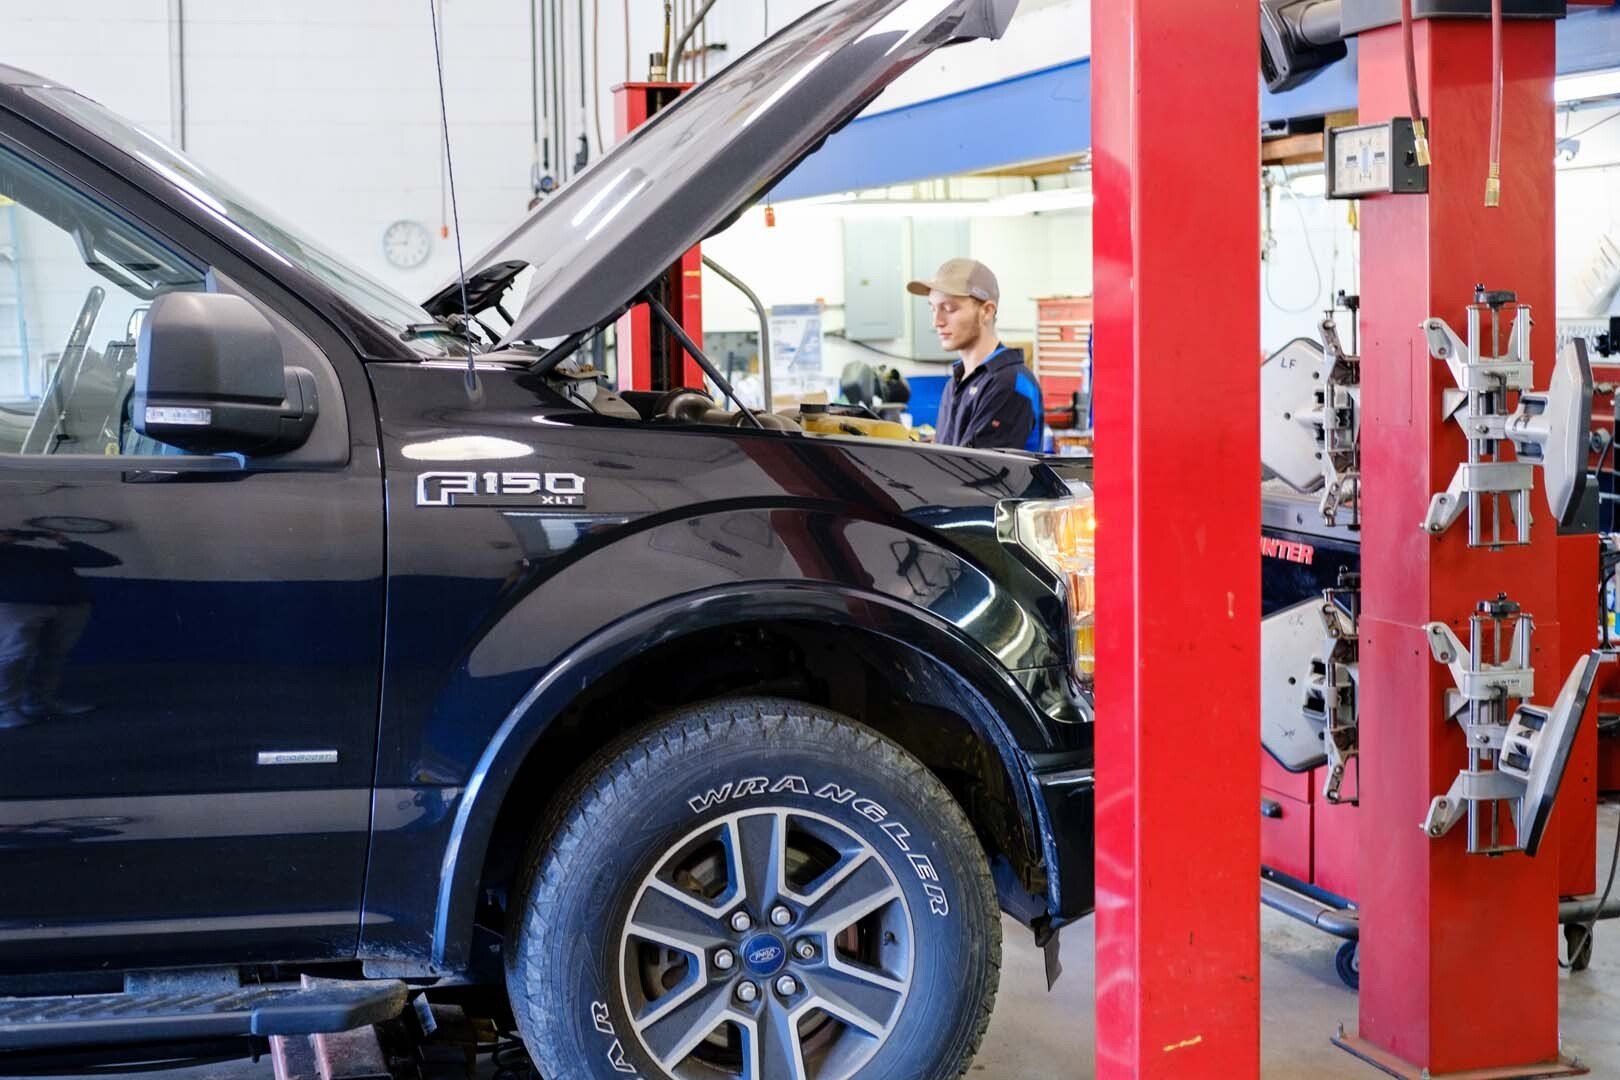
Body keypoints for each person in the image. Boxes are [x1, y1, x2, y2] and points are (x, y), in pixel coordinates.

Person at [907, 258, 1038, 450]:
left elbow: (976, 474)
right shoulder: (957, 382)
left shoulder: (1009, 384)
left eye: (949, 308)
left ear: (987, 311)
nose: (936, 322)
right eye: (933, 309)